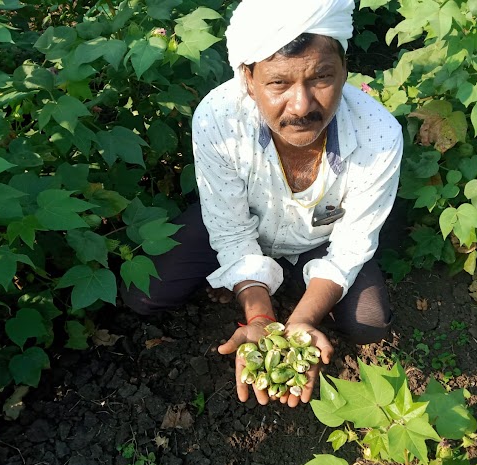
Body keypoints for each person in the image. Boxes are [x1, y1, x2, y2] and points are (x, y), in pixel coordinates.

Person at [122, 0, 403, 408]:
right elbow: (231, 227)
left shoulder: (379, 133)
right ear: (248, 79)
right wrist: (259, 317)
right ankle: (260, 280)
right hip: (243, 224)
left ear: (344, 70)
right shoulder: (219, 118)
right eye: (278, 84)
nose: (302, 105)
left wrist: (303, 321)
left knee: (368, 322)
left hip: (321, 237)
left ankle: (274, 284)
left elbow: (351, 244)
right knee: (144, 293)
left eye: (322, 77)